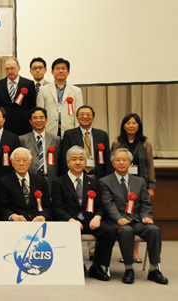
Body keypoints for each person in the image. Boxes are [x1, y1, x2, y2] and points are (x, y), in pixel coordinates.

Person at [100, 148, 168, 285]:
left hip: (137, 220)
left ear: (130, 163)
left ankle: (154, 269)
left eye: (124, 160)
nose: (121, 163)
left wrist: (146, 216)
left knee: (154, 230)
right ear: (113, 163)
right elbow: (108, 205)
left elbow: (146, 203)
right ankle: (129, 268)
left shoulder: (140, 181)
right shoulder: (105, 181)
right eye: (117, 160)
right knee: (126, 231)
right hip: (116, 221)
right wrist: (118, 218)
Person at [51, 146, 115, 281]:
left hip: (90, 221)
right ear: (68, 162)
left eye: (81, 159)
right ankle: (72, 266)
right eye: (74, 159)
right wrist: (70, 220)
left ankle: (97, 266)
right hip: (69, 221)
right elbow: (56, 207)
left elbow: (101, 206)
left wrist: (97, 217)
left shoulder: (93, 182)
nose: (78, 162)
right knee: (64, 232)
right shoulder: (58, 182)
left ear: (85, 162)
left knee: (109, 231)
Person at [111, 113, 156, 264]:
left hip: (139, 184)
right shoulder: (117, 142)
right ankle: (126, 252)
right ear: (123, 125)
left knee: (137, 215)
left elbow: (150, 164)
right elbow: (113, 163)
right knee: (124, 215)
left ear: (139, 126)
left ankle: (135, 252)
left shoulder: (145, 142)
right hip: (121, 182)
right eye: (128, 123)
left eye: (134, 123)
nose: (131, 126)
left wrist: (151, 185)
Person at [0, 147, 52, 221]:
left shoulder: (41, 181)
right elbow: (2, 208)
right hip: (15, 224)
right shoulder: (4, 182)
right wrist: (13, 216)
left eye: (24, 160)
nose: (21, 163)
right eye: (18, 160)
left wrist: (43, 216)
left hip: (36, 223)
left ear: (30, 162)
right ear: (12, 163)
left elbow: (47, 206)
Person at [60, 105, 112, 178]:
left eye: (88, 115)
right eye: (82, 114)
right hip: (77, 175)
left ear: (93, 117)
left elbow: (107, 159)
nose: (85, 117)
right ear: (77, 117)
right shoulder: (69, 135)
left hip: (98, 176)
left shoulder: (102, 135)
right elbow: (64, 158)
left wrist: (107, 178)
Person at [37, 58, 83, 137]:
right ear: (52, 72)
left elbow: (79, 114)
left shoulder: (76, 91)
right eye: (57, 68)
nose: (60, 71)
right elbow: (39, 112)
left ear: (68, 72)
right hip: (49, 131)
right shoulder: (43, 90)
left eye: (63, 68)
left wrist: (77, 132)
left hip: (69, 131)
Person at [0, 57, 36, 136]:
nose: (10, 71)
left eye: (12, 68)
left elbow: (32, 106)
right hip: (5, 126)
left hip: (24, 126)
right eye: (7, 69)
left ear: (19, 68)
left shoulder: (29, 84)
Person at [19, 107, 60, 188]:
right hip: (30, 180)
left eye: (41, 117)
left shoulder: (56, 139)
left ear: (46, 120)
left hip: (51, 180)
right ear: (30, 121)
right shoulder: (22, 139)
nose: (38, 120)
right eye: (35, 118)